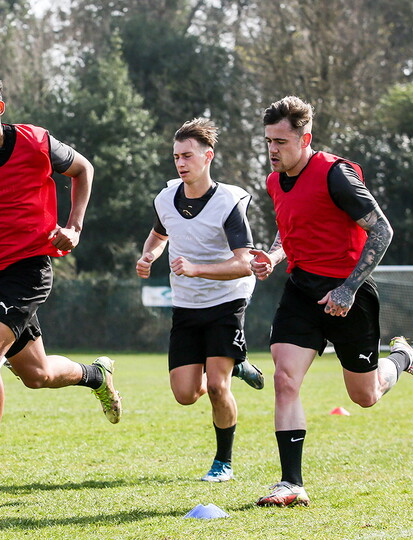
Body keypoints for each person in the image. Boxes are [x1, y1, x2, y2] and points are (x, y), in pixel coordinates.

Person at [0, 70, 122, 502]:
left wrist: (75, 225)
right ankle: (95, 375)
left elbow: (83, 169)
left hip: (31, 266)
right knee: (37, 374)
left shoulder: (36, 141)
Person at [250, 96, 413, 507]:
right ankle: (290, 483)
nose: (273, 150)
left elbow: (382, 230)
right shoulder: (274, 181)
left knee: (364, 396)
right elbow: (289, 229)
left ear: (305, 138)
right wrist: (274, 256)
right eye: (267, 142)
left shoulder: (337, 175)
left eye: (281, 141)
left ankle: (403, 358)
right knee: (285, 378)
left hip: (350, 295)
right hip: (301, 292)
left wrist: (349, 288)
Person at [135, 118, 265, 483]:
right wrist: (149, 257)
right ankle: (236, 363)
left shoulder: (228, 203)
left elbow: (244, 264)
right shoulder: (165, 199)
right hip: (187, 305)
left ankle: (223, 462)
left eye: (187, 155)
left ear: (208, 157)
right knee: (185, 393)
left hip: (227, 301)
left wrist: (197, 268)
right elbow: (159, 235)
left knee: (216, 387)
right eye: (176, 156)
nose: (180, 162)